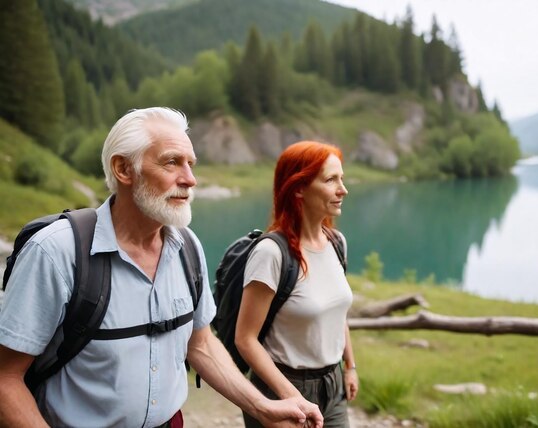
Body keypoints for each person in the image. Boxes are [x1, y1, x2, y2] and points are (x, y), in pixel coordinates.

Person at [0, 108, 323, 428]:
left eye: (191, 164)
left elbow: (200, 344)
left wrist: (263, 407)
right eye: (172, 162)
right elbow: (6, 380)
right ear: (124, 169)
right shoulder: (56, 252)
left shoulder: (187, 246)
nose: (190, 179)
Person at [235, 141, 359, 428]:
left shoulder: (336, 243)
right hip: (283, 387)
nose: (343, 189)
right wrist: (290, 395)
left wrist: (350, 367)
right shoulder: (271, 253)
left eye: (342, 178)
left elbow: (337, 313)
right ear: (299, 188)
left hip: (333, 385)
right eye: (331, 180)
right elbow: (245, 339)